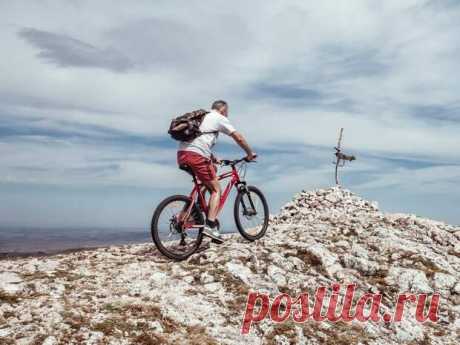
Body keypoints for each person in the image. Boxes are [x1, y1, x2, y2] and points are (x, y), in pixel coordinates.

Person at [177, 100, 256, 243]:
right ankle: (210, 225)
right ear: (223, 109)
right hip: (197, 156)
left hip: (183, 155)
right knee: (216, 190)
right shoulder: (219, 118)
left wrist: (213, 158)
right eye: (227, 112)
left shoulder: (202, 117)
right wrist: (249, 153)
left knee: (208, 176)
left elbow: (198, 140)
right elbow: (238, 137)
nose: (228, 114)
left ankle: (188, 215)